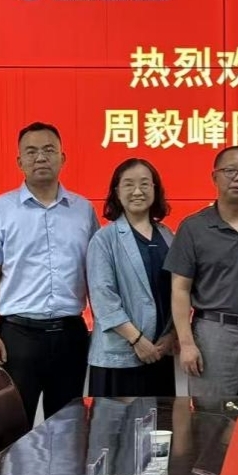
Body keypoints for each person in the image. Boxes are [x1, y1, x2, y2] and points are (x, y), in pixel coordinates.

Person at [0, 122, 99, 427]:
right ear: (19, 161)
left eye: (48, 150)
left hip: (70, 334)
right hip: (18, 337)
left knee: (68, 427)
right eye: (31, 152)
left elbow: (95, 274)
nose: (40, 157)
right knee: (13, 428)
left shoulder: (83, 210)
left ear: (62, 158)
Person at [164, 146, 238, 396]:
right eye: (230, 171)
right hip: (213, 333)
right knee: (211, 413)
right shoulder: (193, 227)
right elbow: (180, 289)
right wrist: (186, 343)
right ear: (214, 176)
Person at [87, 158, 177, 397]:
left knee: (162, 420)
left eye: (145, 184)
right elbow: (103, 299)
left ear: (155, 189)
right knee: (116, 421)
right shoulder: (104, 239)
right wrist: (137, 340)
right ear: (117, 192)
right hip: (120, 356)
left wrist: (171, 335)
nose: (137, 191)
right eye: (128, 184)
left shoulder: (168, 236)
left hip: (160, 352)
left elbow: (178, 292)